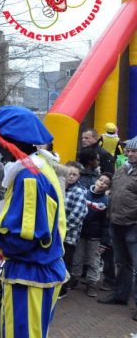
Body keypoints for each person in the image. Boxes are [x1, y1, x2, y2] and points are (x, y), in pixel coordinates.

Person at [0, 105, 67, 337]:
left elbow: (21, 237)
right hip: (36, 271)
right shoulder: (39, 169)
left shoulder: (28, 177)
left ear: (10, 141)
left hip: (31, 274)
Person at [98, 136, 137, 321]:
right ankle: (121, 295)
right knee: (121, 263)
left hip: (133, 225)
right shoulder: (122, 169)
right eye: (129, 150)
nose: (130, 153)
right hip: (116, 222)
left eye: (134, 151)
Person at [71, 172, 112, 297]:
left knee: (94, 260)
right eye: (101, 180)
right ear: (96, 180)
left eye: (106, 183)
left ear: (108, 188)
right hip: (81, 233)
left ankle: (92, 283)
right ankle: (74, 278)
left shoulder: (105, 202)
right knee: (77, 258)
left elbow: (106, 224)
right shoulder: (84, 194)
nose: (102, 183)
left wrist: (104, 243)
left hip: (95, 237)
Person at [59, 161, 88, 298]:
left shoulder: (79, 192)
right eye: (69, 173)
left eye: (74, 175)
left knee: (65, 262)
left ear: (78, 177)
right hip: (55, 234)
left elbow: (77, 216)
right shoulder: (59, 187)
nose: (71, 177)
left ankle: (63, 289)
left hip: (68, 235)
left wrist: (61, 228)